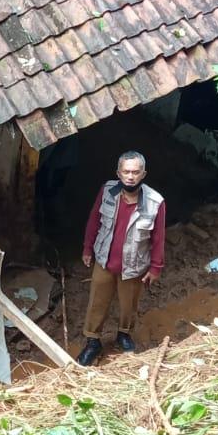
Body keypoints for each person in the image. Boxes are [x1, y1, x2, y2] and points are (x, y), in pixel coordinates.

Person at [77, 151, 165, 366]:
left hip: (133, 265)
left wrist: (155, 268)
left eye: (135, 172)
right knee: (97, 302)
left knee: (129, 305)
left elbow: (159, 238)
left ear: (143, 174)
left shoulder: (155, 202)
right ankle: (93, 341)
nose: (130, 176)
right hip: (104, 260)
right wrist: (87, 248)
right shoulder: (108, 190)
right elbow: (94, 219)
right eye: (126, 171)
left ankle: (123, 334)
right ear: (118, 173)